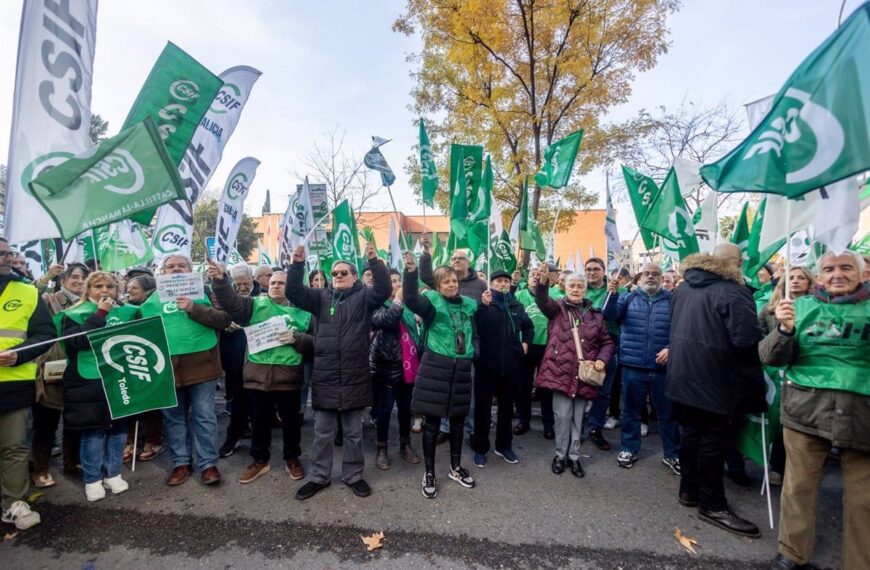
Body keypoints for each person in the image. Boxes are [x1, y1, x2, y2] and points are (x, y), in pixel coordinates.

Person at [761, 251, 869, 570]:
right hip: (806, 411)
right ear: (819, 277)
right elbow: (770, 357)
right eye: (829, 269)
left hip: (862, 416)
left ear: (863, 274)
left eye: (846, 267)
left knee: (863, 500)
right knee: (798, 488)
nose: (838, 274)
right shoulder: (798, 308)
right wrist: (783, 331)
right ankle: (792, 554)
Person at [665, 243, 766, 539]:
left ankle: (689, 490)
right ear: (734, 263)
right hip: (716, 380)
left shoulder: (683, 288)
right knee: (712, 442)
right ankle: (712, 504)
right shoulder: (734, 292)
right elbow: (747, 340)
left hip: (683, 376)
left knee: (691, 435)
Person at [285, 244, 391, 501]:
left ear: (355, 276)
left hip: (355, 376)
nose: (339, 276)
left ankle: (353, 475)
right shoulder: (320, 297)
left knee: (354, 433)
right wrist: (297, 265)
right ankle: (319, 476)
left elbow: (384, 289)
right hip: (326, 376)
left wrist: (375, 262)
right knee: (322, 433)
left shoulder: (364, 297)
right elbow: (294, 292)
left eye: (344, 272)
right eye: (335, 273)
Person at [209, 260, 313, 484]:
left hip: (289, 377)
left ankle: (292, 458)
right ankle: (260, 460)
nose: (276, 286)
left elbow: (317, 343)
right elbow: (230, 301)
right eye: (273, 282)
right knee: (259, 421)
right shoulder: (255, 305)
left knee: (291, 423)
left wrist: (298, 339)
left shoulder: (305, 313)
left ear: (293, 286)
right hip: (257, 377)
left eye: (282, 283)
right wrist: (220, 281)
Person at [402, 252, 490, 499]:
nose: (452, 285)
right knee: (431, 424)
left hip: (461, 370)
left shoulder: (468, 304)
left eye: (454, 281)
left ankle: (455, 468)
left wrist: (485, 302)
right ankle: (429, 472)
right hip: (435, 370)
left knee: (458, 422)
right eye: (446, 282)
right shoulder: (431, 304)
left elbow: (479, 323)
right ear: (438, 286)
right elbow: (410, 298)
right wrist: (410, 272)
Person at [140, 255, 231, 487]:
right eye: (171, 266)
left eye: (182, 266)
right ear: (162, 272)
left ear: (191, 271)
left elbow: (224, 319)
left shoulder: (206, 291)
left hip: (202, 365)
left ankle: (208, 464)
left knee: (204, 416)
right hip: (167, 368)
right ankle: (181, 463)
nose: (176, 269)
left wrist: (194, 308)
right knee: (173, 418)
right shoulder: (151, 299)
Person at [59, 272, 141, 502]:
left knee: (118, 427)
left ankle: (113, 473)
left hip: (120, 377)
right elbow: (76, 341)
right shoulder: (74, 314)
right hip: (87, 380)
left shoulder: (128, 312)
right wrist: (101, 314)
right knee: (93, 430)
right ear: (88, 289)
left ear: (117, 289)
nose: (104, 290)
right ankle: (92, 479)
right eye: (98, 286)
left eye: (110, 286)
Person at [534, 270, 614, 479]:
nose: (576, 290)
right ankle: (560, 455)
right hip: (560, 372)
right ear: (565, 288)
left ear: (585, 289)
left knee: (578, 418)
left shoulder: (595, 315)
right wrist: (542, 284)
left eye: (580, 286)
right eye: (572, 286)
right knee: (562, 417)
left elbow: (606, 342)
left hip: (584, 374)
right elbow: (542, 301)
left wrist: (601, 359)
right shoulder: (557, 308)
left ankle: (574, 457)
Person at [603, 264, 680, 473]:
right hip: (633, 365)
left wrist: (671, 348)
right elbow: (609, 316)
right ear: (639, 277)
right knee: (631, 412)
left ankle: (672, 454)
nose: (651, 277)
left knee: (667, 414)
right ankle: (629, 448)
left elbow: (682, 329)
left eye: (655, 274)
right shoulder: (628, 297)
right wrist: (611, 294)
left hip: (662, 368)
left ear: (662, 278)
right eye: (647, 274)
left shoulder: (673, 300)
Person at [0, 239, 54, 529]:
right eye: (2, 254)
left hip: (13, 385)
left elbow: (45, 334)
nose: (7, 258)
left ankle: (13, 503)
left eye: (8, 253)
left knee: (14, 447)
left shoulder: (27, 292)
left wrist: (19, 354)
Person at [31, 263, 89, 487]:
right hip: (52, 366)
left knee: (75, 417)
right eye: (74, 276)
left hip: (79, 366)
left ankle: (71, 462)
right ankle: (41, 468)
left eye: (83, 277)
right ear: (62, 280)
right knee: (47, 418)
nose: (79, 281)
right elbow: (31, 296)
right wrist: (46, 277)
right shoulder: (49, 300)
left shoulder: (88, 304)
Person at [757, 267, 815, 486]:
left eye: (801, 277)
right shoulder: (769, 310)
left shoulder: (820, 309)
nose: (796, 281)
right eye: (791, 277)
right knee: (779, 419)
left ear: (810, 282)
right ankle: (777, 466)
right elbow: (760, 338)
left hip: (807, 372)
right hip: (776, 373)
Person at [472, 270, 533, 467]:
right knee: (483, 410)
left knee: (506, 409)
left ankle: (504, 446)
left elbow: (528, 326)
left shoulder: (516, 305)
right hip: (486, 366)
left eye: (506, 281)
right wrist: (483, 306)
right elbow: (475, 328)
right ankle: (481, 448)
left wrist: (526, 342)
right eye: (499, 281)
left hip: (511, 367)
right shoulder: (483, 305)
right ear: (491, 283)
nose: (503, 284)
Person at [370, 268, 422, 470]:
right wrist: (398, 301)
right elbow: (387, 321)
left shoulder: (410, 307)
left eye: (399, 281)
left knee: (406, 408)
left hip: (408, 368)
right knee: (384, 409)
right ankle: (381, 447)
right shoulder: (376, 305)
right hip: (387, 367)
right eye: (392, 281)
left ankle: (405, 444)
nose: (397, 285)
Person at [122, 275, 165, 464]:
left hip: (152, 359)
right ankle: (131, 440)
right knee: (130, 403)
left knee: (152, 403)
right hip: (129, 359)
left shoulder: (156, 307)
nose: (129, 291)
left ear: (147, 291)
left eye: (134, 288)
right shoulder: (124, 309)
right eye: (128, 287)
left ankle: (153, 440)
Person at [583, 257, 624, 451]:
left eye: (596, 269)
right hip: (584, 345)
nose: (592, 272)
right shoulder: (580, 289)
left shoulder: (616, 290)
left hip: (609, 345)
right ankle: (577, 429)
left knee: (603, 390)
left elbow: (614, 317)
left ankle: (595, 428)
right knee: (580, 387)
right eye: (588, 269)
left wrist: (614, 296)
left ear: (604, 271)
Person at [217, 264, 255, 459]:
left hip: (259, 358)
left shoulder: (264, 296)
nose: (242, 287)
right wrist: (225, 325)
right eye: (238, 283)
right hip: (235, 357)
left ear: (252, 280)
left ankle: (258, 442)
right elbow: (216, 317)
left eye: (245, 283)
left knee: (259, 402)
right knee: (238, 398)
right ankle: (233, 436)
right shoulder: (225, 299)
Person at [514, 268, 555, 439]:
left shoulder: (552, 295)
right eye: (533, 275)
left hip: (547, 346)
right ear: (528, 278)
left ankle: (548, 423)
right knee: (523, 386)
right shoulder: (519, 295)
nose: (536, 279)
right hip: (525, 346)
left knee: (546, 387)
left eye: (539, 276)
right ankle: (524, 420)